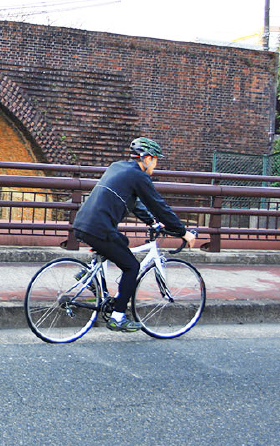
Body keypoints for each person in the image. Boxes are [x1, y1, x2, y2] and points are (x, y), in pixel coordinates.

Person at [72, 137, 196, 332]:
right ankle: (118, 318)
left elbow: (135, 203)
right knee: (131, 266)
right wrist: (182, 232)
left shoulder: (118, 167)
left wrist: (152, 222)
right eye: (155, 159)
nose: (156, 164)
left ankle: (89, 276)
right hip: (99, 228)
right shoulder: (139, 176)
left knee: (121, 242)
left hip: (82, 223)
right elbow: (158, 205)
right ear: (146, 158)